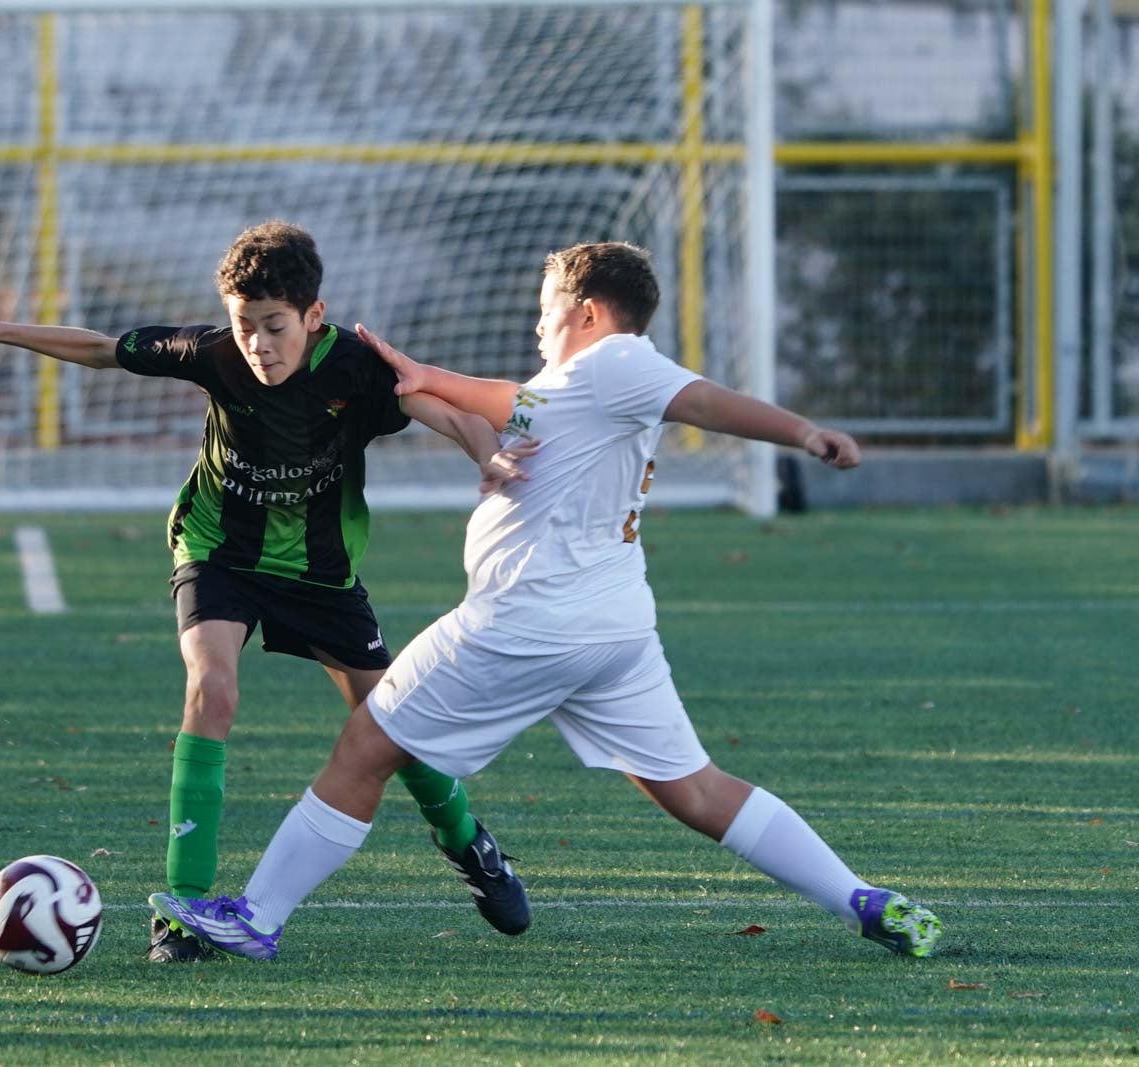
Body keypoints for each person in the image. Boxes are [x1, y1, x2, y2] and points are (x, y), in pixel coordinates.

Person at [149, 240, 944, 961]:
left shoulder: (622, 363)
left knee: (364, 748)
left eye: (547, 311)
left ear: (590, 313)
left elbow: (701, 400)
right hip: (616, 630)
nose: (537, 328)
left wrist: (802, 432)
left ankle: (257, 913)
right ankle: (860, 898)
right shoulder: (581, 386)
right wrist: (426, 376)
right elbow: (511, 402)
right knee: (697, 789)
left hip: (523, 624)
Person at [0, 221, 530, 962]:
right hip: (218, 551)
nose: (258, 345)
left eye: (274, 327)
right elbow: (102, 347)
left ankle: (468, 842)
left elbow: (450, 410)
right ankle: (182, 913)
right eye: (245, 326)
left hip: (318, 574)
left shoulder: (356, 370)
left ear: (313, 316)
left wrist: (489, 455)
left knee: (393, 725)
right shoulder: (214, 354)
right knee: (213, 690)